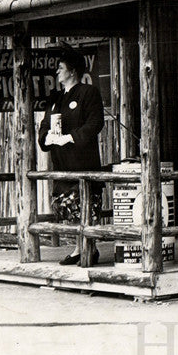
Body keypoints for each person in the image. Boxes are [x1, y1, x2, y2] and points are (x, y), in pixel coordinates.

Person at [38, 49, 105, 266]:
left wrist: (71, 137)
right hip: (61, 164)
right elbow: (45, 124)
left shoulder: (88, 92)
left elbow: (95, 123)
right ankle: (79, 248)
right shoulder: (56, 98)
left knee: (84, 207)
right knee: (67, 209)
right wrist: (46, 137)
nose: (57, 72)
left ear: (73, 71)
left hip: (82, 162)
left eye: (61, 68)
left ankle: (87, 249)